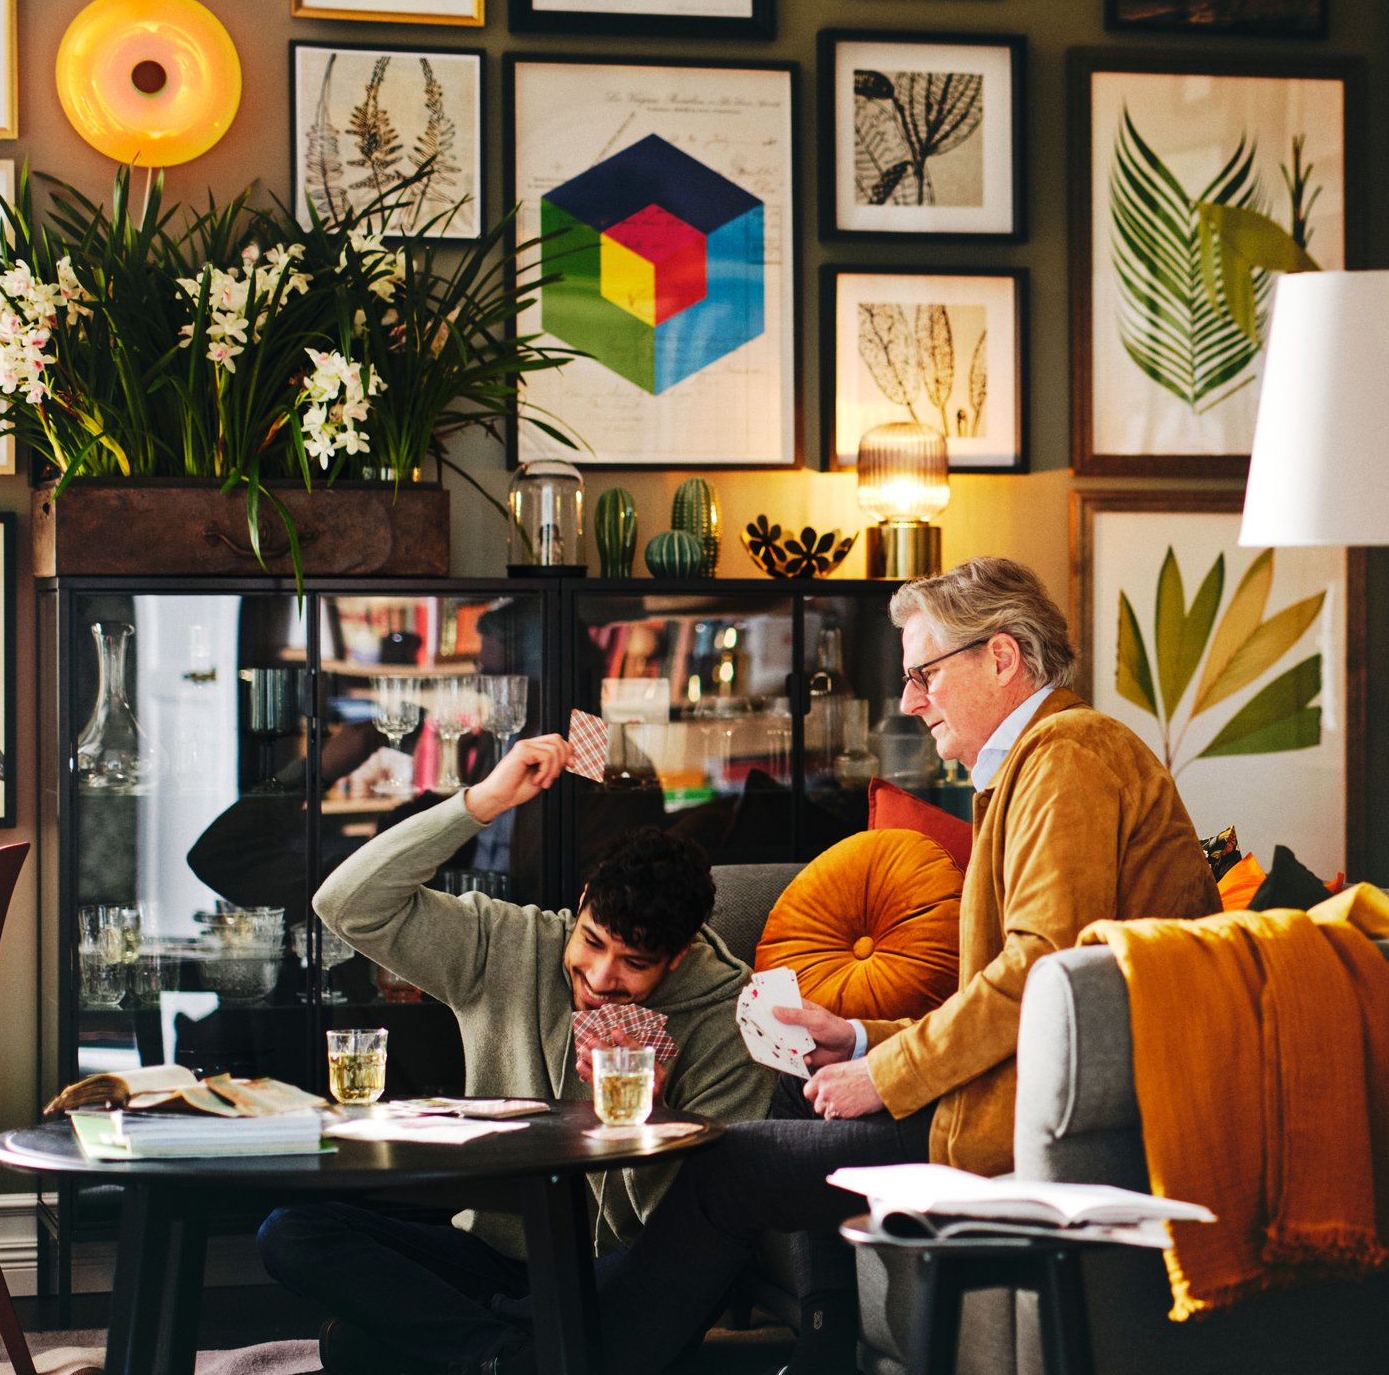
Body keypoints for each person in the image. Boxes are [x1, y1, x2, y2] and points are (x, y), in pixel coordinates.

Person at [503, 555, 1222, 1375]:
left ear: (1001, 657)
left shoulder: (1069, 757)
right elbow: (1027, 986)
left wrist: (885, 1075)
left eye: (924, 673)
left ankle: (547, 1357)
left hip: (1044, 1121)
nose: (912, 699)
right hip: (1016, 1091)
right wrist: (855, 1037)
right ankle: (814, 1344)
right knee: (791, 1087)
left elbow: (1039, 973)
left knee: (731, 1163)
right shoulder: (1034, 767)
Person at [256, 733, 774, 1375]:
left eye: (636, 964)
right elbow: (346, 905)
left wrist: (652, 1116)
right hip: (495, 1252)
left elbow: (700, 1222)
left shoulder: (735, 1018)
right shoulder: (508, 944)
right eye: (593, 942)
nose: (602, 976)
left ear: (680, 955)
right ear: (581, 903)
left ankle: (449, 1347)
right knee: (292, 1232)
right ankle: (504, 1356)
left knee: (366, 1349)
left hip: (622, 1271)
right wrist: (481, 801)